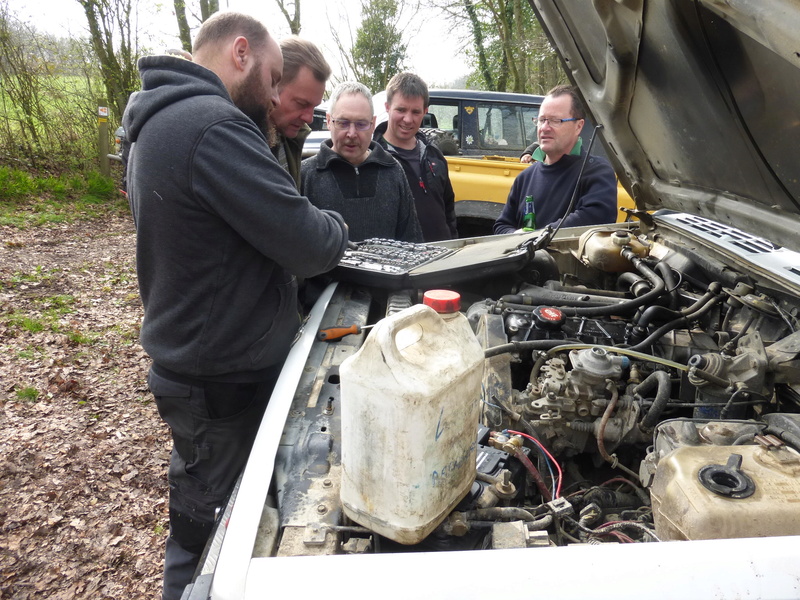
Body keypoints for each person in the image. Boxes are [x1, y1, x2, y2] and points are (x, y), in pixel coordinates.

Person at [121, 12, 348, 600]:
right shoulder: (212, 126)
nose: (275, 97)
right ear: (240, 53)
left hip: (200, 365)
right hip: (219, 379)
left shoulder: (159, 120)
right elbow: (307, 241)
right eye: (274, 79)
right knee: (204, 535)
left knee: (212, 516)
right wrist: (338, 227)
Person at [301, 81, 424, 243]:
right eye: (343, 123)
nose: (352, 133)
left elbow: (412, 241)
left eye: (361, 124)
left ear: (372, 124)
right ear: (329, 121)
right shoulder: (306, 174)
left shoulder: (393, 171)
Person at [493, 85, 617, 234]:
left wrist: (533, 239)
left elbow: (594, 219)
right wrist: (514, 236)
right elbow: (501, 226)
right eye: (541, 120)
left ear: (578, 126)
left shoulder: (596, 172)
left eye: (555, 120)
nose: (544, 128)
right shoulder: (525, 178)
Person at [373, 72, 457, 241]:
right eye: (401, 110)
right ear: (387, 107)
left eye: (416, 112)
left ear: (425, 111)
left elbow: (449, 212)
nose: (408, 119)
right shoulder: (372, 158)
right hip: (398, 263)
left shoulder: (435, 156)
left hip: (440, 260)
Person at [269, 36, 331, 189]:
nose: (309, 119)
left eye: (314, 107)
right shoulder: (238, 140)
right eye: (302, 104)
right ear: (272, 85)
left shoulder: (291, 138)